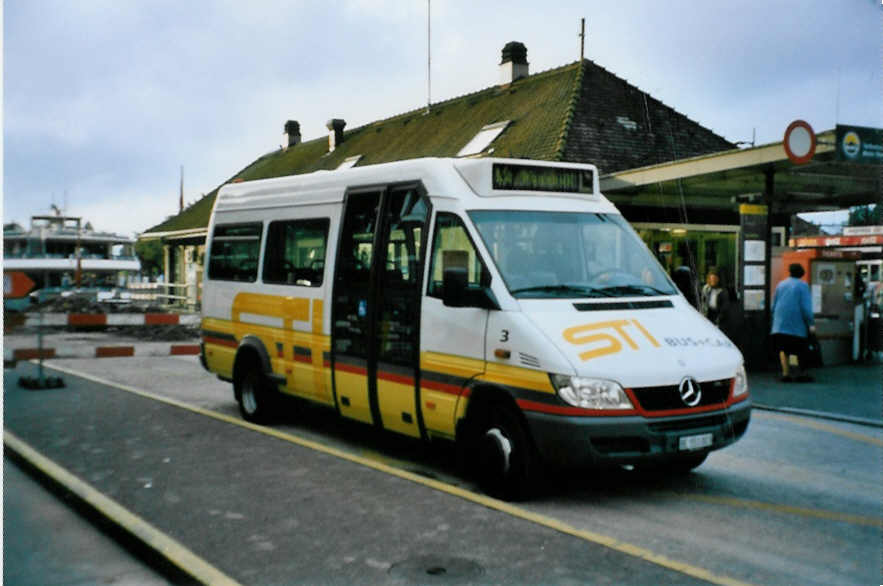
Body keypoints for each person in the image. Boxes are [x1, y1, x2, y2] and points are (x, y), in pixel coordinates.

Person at [771, 263, 815, 382]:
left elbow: (773, 304)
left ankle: (786, 373)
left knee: (783, 349)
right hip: (797, 324)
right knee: (800, 349)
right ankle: (800, 373)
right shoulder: (803, 286)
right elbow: (806, 307)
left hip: (780, 323)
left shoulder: (781, 284)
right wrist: (811, 323)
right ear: (801, 273)